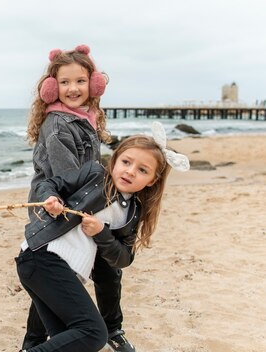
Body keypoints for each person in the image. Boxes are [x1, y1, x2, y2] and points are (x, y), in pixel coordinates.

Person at [16, 126, 190, 352]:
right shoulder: (94, 174)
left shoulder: (133, 212)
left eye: (142, 170)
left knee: (70, 340)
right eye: (126, 162)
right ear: (115, 160)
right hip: (42, 255)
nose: (130, 172)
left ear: (152, 181)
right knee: (94, 333)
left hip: (60, 270)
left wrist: (101, 233)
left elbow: (123, 257)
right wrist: (51, 197)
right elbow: (49, 184)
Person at [24, 44, 141, 352]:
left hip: (83, 202)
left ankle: (111, 328)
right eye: (64, 82)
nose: (72, 88)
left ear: (94, 83)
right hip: (59, 207)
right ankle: (37, 341)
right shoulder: (59, 124)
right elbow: (68, 179)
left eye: (79, 81)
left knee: (98, 272)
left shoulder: (84, 117)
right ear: (51, 87)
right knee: (63, 276)